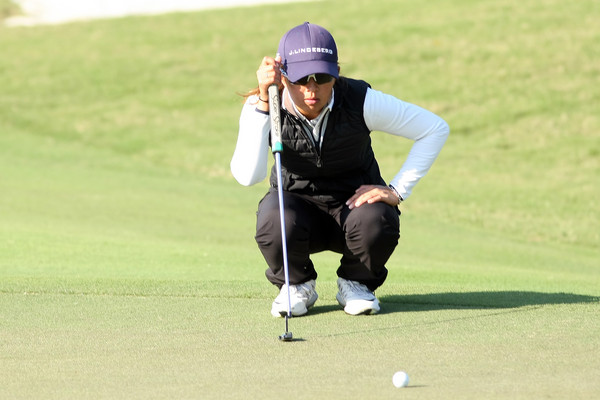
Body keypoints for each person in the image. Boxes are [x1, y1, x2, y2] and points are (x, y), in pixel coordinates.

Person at [231, 22, 449, 317]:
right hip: (296, 211)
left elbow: (434, 128)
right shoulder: (265, 104)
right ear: (283, 76)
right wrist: (262, 103)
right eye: (300, 79)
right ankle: (296, 285)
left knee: (378, 217)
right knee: (274, 218)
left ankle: (356, 283)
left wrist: (397, 190)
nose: (312, 88)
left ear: (335, 73)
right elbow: (248, 177)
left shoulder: (360, 101)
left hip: (354, 210)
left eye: (321, 77)